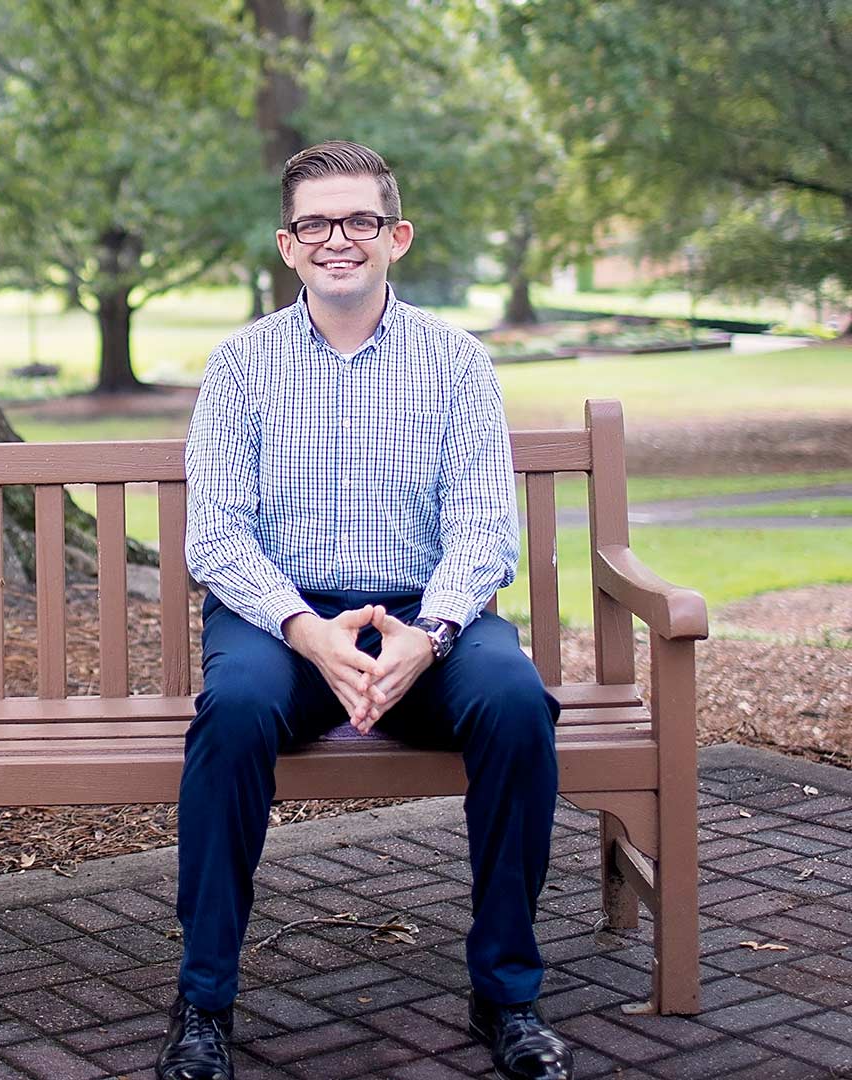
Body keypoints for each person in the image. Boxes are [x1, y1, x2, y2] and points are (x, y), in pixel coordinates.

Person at [157, 141, 573, 1080]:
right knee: (232, 717)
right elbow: (216, 535)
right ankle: (202, 1001)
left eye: (359, 222)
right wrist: (308, 631)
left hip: (428, 622)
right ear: (286, 245)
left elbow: (482, 527)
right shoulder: (241, 365)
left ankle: (506, 993)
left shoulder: (457, 363)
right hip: (284, 623)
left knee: (515, 704)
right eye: (316, 224)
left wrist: (431, 639)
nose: (337, 239)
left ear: (397, 236)